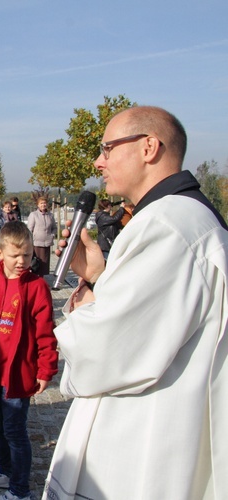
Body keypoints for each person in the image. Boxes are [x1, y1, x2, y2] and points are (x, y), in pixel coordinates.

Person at [44, 106, 228, 500]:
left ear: (149, 147)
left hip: (145, 440)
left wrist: (86, 301)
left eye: (108, 148)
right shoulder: (177, 217)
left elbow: (110, 349)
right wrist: (98, 276)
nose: (99, 161)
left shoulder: (169, 225)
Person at [0, 221, 57, 500]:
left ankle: (20, 490)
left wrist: (46, 369)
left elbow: (46, 333)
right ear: (0, 253)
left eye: (27, 255)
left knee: (15, 431)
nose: (22, 261)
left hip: (18, 374)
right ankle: (5, 471)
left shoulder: (37, 288)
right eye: (16, 255)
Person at [26, 197, 56, 276]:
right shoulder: (33, 215)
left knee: (45, 264)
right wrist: (30, 241)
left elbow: (54, 228)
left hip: (47, 242)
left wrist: (52, 235)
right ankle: (35, 278)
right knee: (37, 263)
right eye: (41, 203)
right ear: (38, 205)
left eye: (44, 203)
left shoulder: (50, 215)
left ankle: (43, 279)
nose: (43, 205)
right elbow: (30, 229)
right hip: (36, 243)